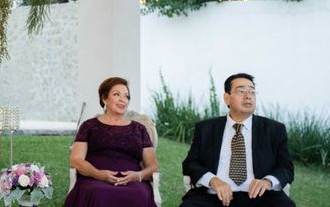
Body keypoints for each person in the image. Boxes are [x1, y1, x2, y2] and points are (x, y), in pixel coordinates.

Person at [180, 73, 295, 207]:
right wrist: (213, 180)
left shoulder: (274, 129)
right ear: (227, 98)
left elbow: (286, 167)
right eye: (241, 91)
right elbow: (190, 163)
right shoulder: (206, 128)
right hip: (213, 196)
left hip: (261, 197)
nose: (248, 95)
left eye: (252, 91)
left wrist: (268, 181)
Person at [64, 77, 159, 207]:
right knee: (98, 193)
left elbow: (153, 166)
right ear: (104, 98)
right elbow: (76, 160)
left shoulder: (140, 129)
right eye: (116, 94)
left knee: (140, 195)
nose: (123, 100)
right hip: (94, 179)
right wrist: (99, 174)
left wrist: (137, 176)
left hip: (133, 182)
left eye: (126, 96)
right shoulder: (89, 126)